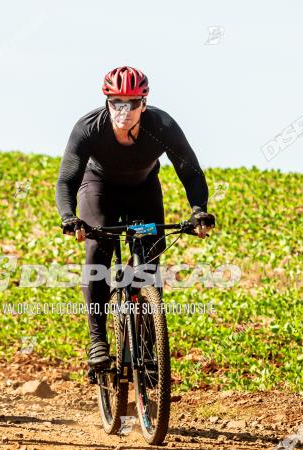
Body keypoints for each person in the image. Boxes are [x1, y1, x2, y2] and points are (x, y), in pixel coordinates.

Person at [55, 65, 215, 369]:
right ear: (107, 103)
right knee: (98, 247)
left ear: (144, 104)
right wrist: (68, 216)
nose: (123, 111)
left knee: (150, 261)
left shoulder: (163, 125)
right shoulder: (88, 127)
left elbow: (190, 172)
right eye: (116, 102)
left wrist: (198, 210)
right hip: (99, 187)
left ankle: (147, 345)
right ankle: (98, 340)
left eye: (131, 103)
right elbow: (66, 180)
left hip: (143, 188)